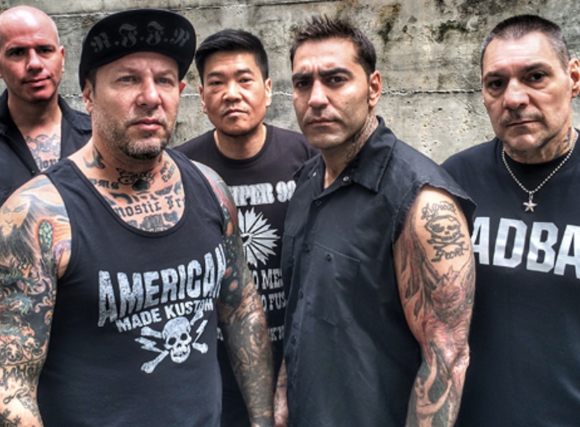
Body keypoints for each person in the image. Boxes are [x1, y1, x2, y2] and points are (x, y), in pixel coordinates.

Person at [0, 9, 274, 427]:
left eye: (163, 80)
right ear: (88, 95)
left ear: (180, 91)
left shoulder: (211, 189)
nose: (150, 96)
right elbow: (12, 386)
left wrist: (262, 419)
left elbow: (241, 310)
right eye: (128, 80)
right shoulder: (36, 217)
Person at [276, 16, 476, 427]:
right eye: (302, 83)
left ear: (373, 88)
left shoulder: (422, 203)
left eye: (335, 80)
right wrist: (283, 392)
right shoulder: (307, 180)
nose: (316, 98)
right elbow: (302, 304)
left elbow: (447, 357)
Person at [442, 15, 580, 426]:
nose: (514, 98)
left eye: (535, 77)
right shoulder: (453, 182)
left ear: (574, 78)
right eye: (496, 83)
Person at [176, 29, 316, 427]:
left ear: (268, 90)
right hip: (217, 372)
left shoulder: (308, 159)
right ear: (201, 98)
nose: (231, 94)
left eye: (244, 79)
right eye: (217, 83)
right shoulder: (183, 171)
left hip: (299, 361)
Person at [0, 5, 91, 206]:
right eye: (17, 52)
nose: (34, 64)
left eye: (44, 50)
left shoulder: (99, 138)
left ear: (62, 59)